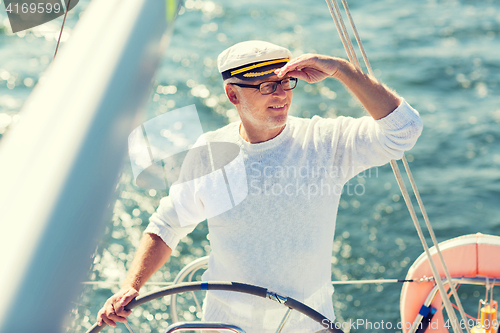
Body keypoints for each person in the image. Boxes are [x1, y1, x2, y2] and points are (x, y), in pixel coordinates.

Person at [96, 40, 423, 332]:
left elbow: (404, 130)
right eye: (267, 86)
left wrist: (342, 70)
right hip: (225, 327)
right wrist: (131, 285)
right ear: (232, 94)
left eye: (285, 83)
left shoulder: (324, 141)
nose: (282, 95)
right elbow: (167, 225)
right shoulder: (210, 153)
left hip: (308, 324)